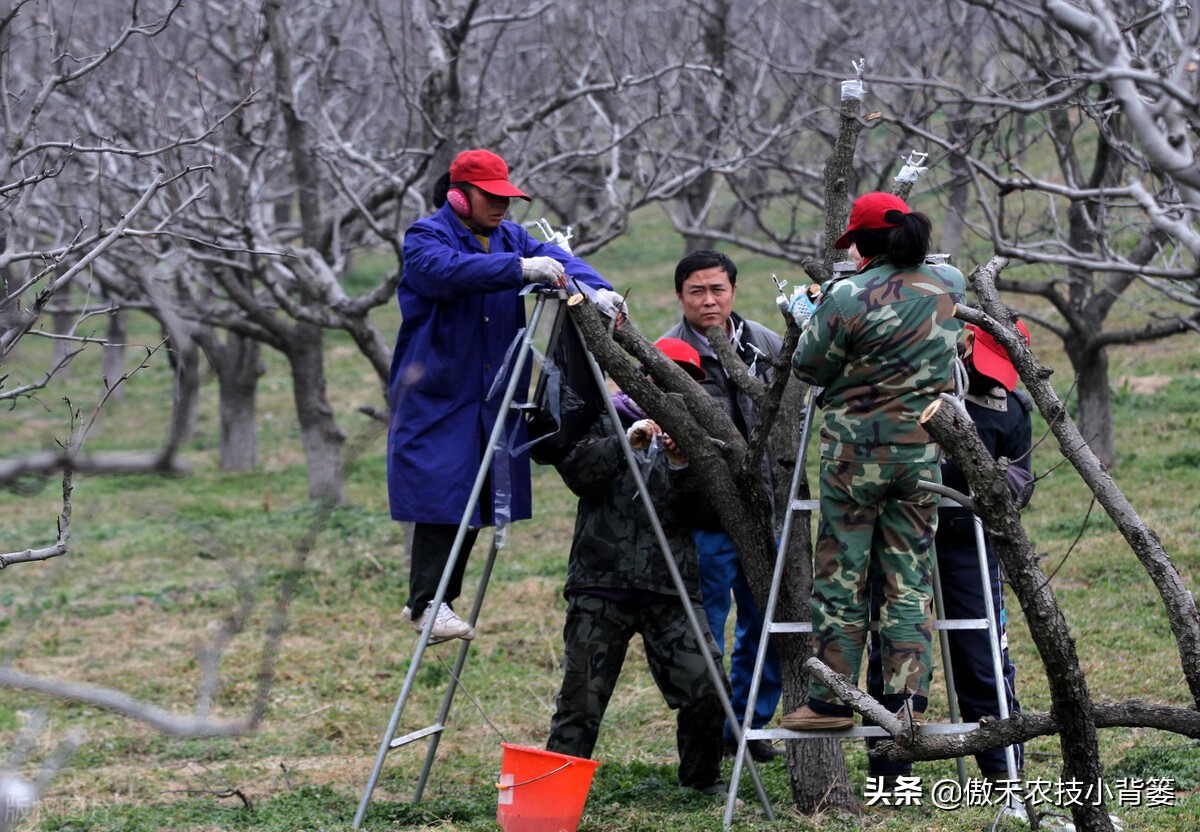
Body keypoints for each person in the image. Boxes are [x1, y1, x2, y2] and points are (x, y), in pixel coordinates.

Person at [387, 148, 616, 642]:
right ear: (458, 195)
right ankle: (427, 601)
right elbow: (446, 272)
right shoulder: (427, 236)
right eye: (490, 197)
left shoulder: (509, 237)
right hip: (440, 392)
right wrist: (520, 270)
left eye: (506, 197)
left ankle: (435, 601)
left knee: (475, 497)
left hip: (491, 392)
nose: (502, 207)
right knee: (442, 494)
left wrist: (598, 289)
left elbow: (559, 260)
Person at [781, 191, 966, 730]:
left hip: (853, 459)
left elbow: (809, 368)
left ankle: (833, 701)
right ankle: (908, 702)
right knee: (908, 577)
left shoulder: (845, 297)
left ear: (861, 245)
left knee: (843, 574)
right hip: (921, 453)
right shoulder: (950, 286)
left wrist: (808, 317)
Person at [546, 338, 727, 797]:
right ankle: (556, 793)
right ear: (641, 378)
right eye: (662, 377)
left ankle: (701, 784)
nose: (672, 388)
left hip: (671, 590)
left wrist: (683, 464)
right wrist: (624, 443)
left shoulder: (697, 435)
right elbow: (576, 473)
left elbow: (711, 514)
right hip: (599, 584)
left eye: (685, 379)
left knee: (708, 687)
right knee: (580, 699)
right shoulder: (600, 416)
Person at [865, 319, 1033, 786]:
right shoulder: (917, 388)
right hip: (905, 539)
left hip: (969, 545)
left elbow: (1023, 478)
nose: (989, 376)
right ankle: (892, 778)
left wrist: (999, 483)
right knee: (900, 661)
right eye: (983, 364)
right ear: (964, 347)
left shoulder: (1012, 407)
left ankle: (1003, 778)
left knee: (982, 660)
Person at [659, 250, 786, 763]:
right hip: (702, 519)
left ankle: (749, 727)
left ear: (734, 290)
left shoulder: (767, 342)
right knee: (707, 629)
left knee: (768, 624)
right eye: (697, 291)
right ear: (680, 296)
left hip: (766, 515)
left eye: (718, 289)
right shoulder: (666, 352)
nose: (708, 300)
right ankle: (706, 735)